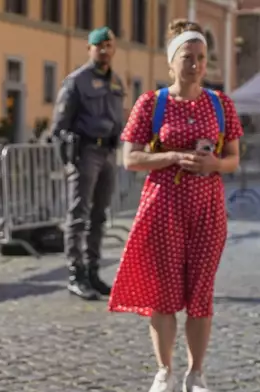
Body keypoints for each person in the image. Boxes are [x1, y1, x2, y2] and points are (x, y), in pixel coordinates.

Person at [108, 19, 243, 392]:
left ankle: (196, 373)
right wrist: (169, 157)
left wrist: (214, 164)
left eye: (201, 57)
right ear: (172, 61)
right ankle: (164, 370)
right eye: (188, 57)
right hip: (162, 206)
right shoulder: (151, 102)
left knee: (201, 293)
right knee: (163, 294)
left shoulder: (220, 104)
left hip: (206, 209)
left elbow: (233, 158)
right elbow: (130, 159)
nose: (196, 64)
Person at [49, 26, 124, 300]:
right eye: (98, 46)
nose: (104, 50)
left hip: (108, 152)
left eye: (108, 45)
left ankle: (93, 270)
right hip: (85, 152)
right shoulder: (76, 81)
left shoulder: (116, 81)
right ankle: (75, 274)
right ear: (89, 49)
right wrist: (68, 158)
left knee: (99, 216)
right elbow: (58, 126)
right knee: (78, 215)